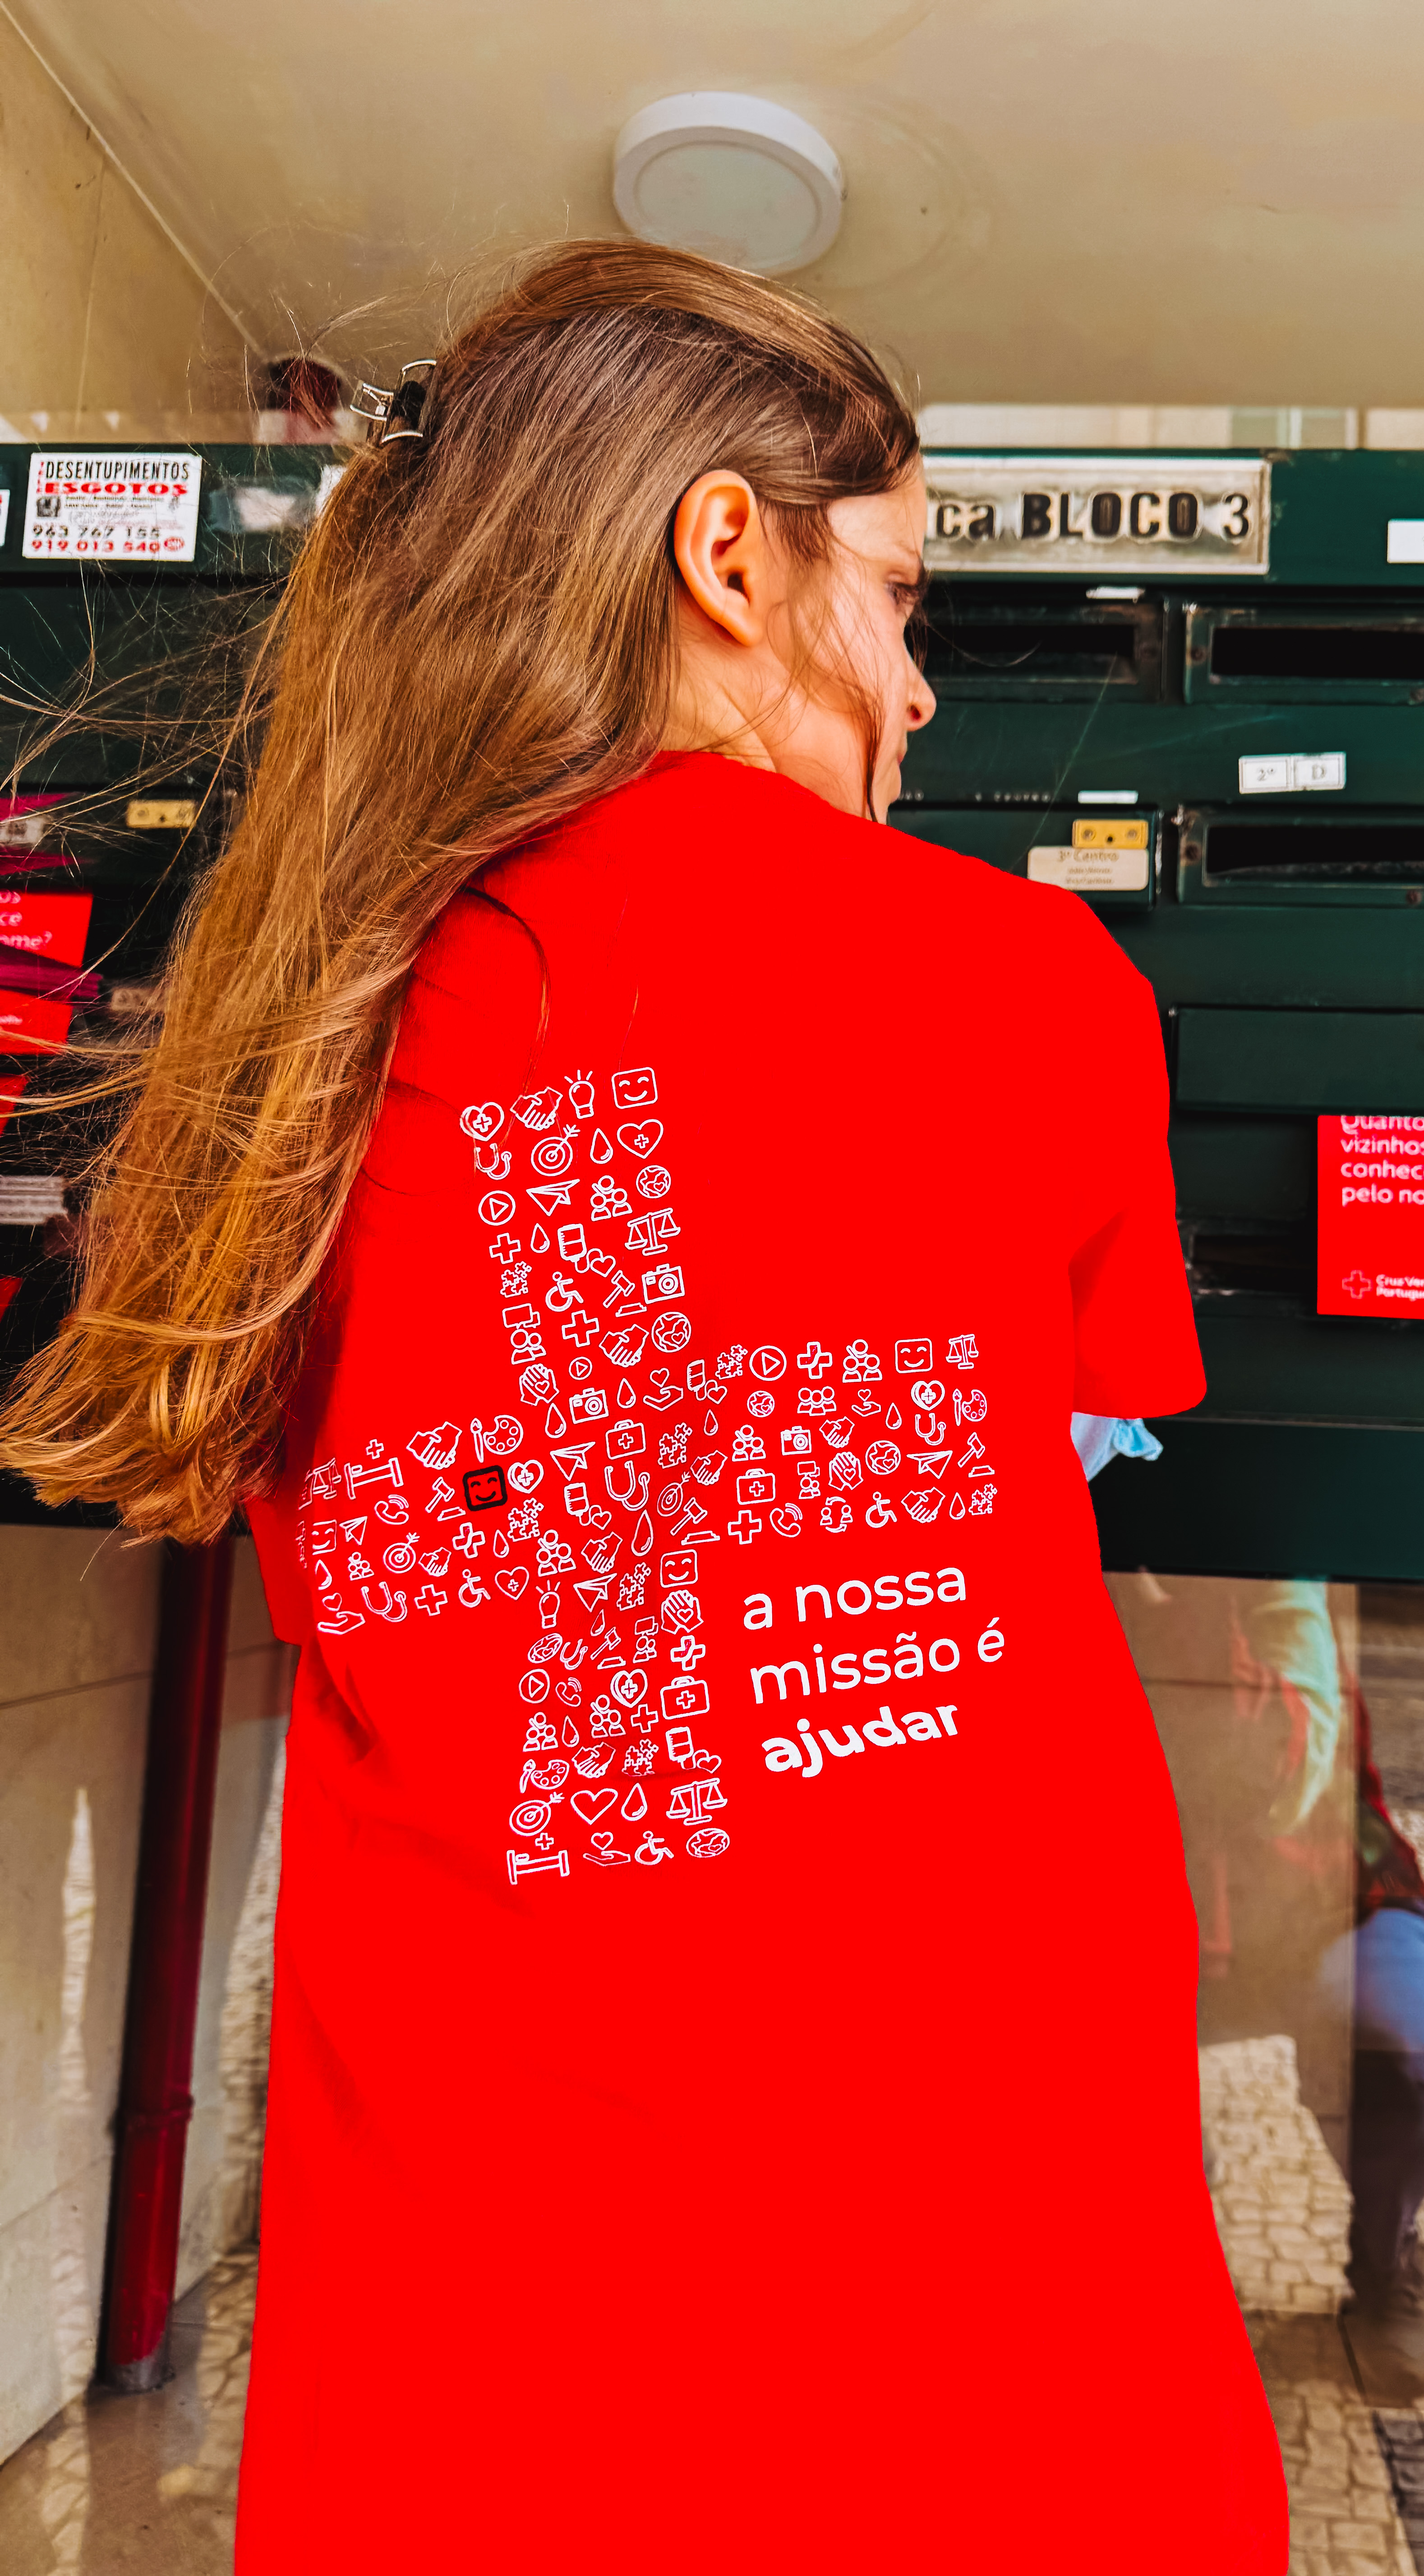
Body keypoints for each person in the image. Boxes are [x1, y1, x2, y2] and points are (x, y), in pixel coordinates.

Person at [0, 244, 1288, 2574]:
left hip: (480, 2238)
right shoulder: (1026, 987)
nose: (916, 688)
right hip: (969, 2193)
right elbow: (1081, 1417)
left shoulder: (296, 1022)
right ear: (724, 555)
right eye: (899, 592)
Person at [1244, 1584, 1424, 2398]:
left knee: (1399, 2044)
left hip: (1331, 1885)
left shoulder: (1280, 1587)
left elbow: (1290, 1778)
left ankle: (1387, 2254)